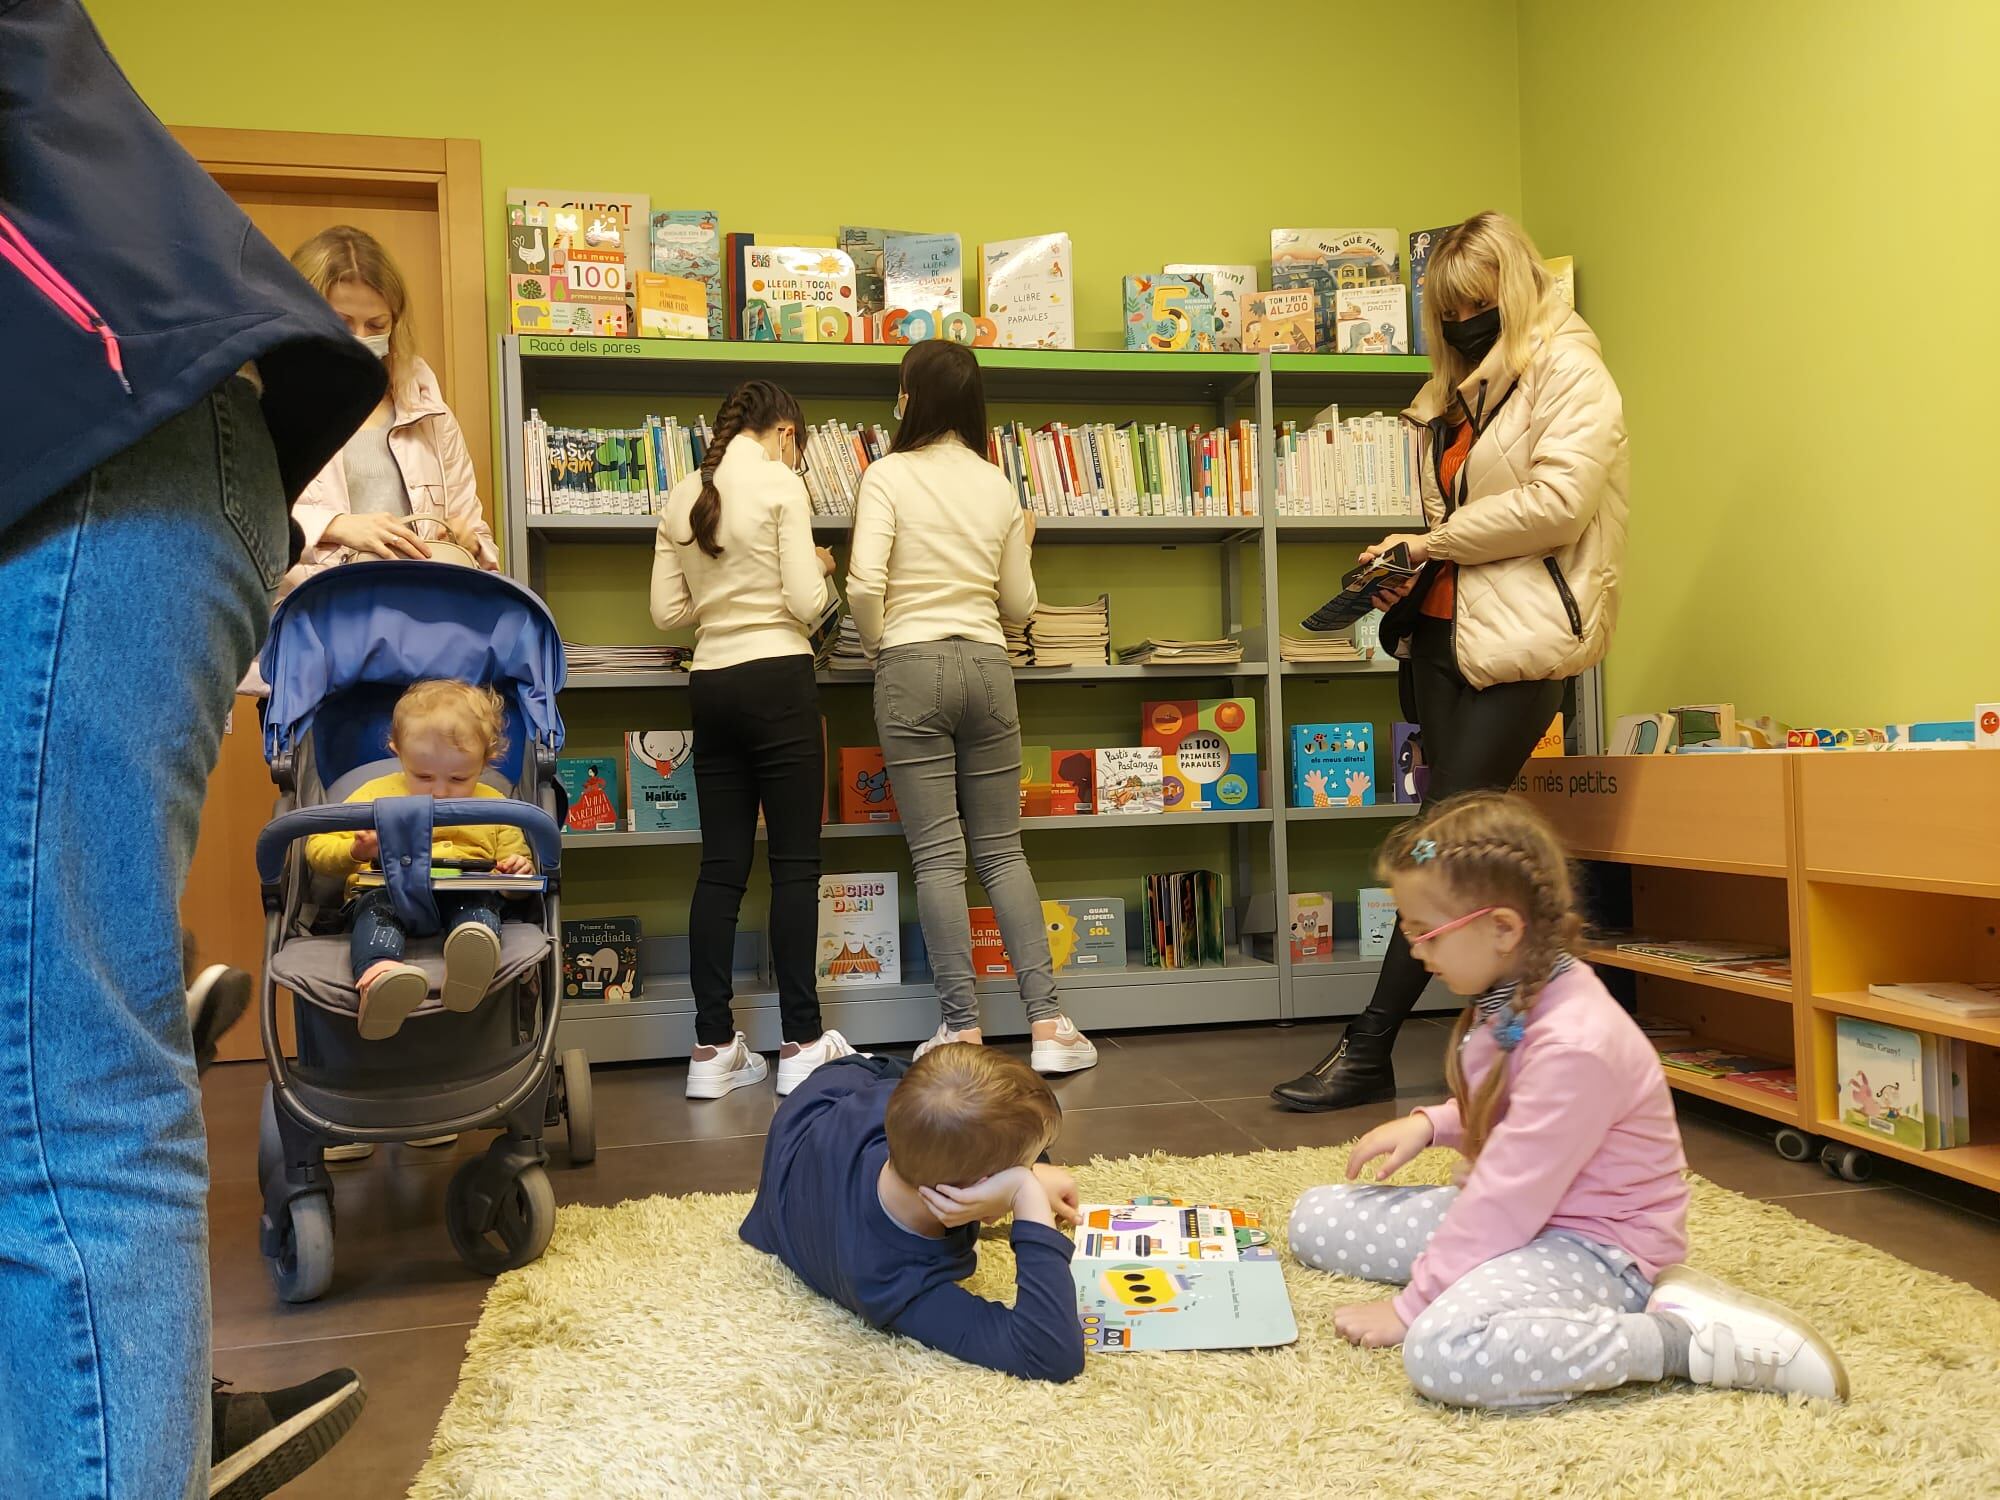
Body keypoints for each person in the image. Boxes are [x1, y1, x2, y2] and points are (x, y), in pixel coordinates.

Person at [1, 4, 386, 1493]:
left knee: (59, 1100)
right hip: (142, 444)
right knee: (64, 1067)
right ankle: (122, 1415)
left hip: (87, 428)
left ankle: (115, 1435)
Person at [1288, 794, 1848, 1409]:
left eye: (1426, 933)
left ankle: (1679, 1339)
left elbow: (1506, 1195)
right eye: (1408, 930)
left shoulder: (1577, 1045)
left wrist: (1412, 1304)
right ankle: (1489, 1273)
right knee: (1314, 1218)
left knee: (1444, 1347)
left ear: (1503, 928)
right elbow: (1514, 1112)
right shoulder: (1512, 991)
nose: (1415, 950)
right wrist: (1436, 1123)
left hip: (1596, 1248)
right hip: (1527, 1215)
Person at [1274, 210, 1630, 1111]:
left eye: (1479, 303)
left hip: (1523, 646)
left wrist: (1432, 544)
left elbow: (1558, 505)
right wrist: (1408, 566)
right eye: (1450, 310)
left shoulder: (1570, 372)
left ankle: (1370, 1046)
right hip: (1443, 635)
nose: (1465, 322)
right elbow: (1467, 522)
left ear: (1518, 287)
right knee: (1457, 843)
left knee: (1442, 842)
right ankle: (1517, 1036)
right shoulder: (1462, 391)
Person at [845, 341, 1096, 1074]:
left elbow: (862, 585)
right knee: (1002, 851)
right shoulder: (997, 483)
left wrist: (881, 646)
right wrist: (1025, 544)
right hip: (988, 666)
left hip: (910, 664)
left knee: (937, 857)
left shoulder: (887, 474)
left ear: (912, 397)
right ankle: (1048, 1027)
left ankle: (961, 1031)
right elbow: (1019, 605)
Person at [651, 379, 852, 1100]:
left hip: (712, 683)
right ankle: (802, 1042)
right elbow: (805, 602)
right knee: (794, 866)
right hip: (779, 680)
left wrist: (723, 597)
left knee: (720, 868)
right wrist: (820, 569)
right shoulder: (780, 484)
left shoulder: (682, 493)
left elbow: (667, 610)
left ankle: (711, 1049)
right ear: (786, 433)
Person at [739, 1045, 1085, 1383]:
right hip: (823, 1111)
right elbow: (1049, 1353)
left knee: (952, 1101)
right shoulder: (890, 1281)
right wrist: (1027, 1194)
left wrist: (1028, 1170)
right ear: (980, 1187)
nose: (1033, 1172)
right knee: (959, 1109)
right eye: (1027, 1167)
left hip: (842, 1090)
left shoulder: (904, 1116)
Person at [305, 681, 532, 1042]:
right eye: (423, 776)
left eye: (459, 778)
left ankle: (469, 969)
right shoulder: (373, 795)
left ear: (485, 760)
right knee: (376, 913)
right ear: (399, 752)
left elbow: (517, 878)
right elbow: (317, 849)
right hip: (387, 889)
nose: (439, 791)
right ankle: (380, 979)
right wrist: (357, 852)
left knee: (480, 908)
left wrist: (515, 873)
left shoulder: (494, 804)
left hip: (463, 890)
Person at [283, 224, 500, 588]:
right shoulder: (269, 405)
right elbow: (240, 526)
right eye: (342, 323)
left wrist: (470, 543)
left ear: (395, 324)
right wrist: (334, 526)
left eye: (376, 324)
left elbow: (477, 534)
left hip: (417, 609)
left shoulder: (427, 408)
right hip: (315, 610)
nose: (360, 338)